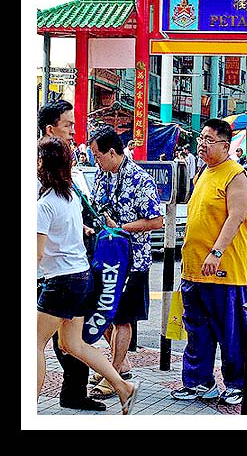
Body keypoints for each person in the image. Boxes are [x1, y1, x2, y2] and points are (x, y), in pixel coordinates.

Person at [37, 135, 140, 415]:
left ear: (43, 164)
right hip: (81, 277)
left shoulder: (44, 205)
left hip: (61, 282)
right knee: (72, 344)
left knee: (34, 343)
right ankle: (123, 386)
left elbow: (37, 254)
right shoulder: (70, 196)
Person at [171, 118, 247, 405]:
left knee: (230, 331)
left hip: (224, 270)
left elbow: (236, 217)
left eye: (209, 140)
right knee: (197, 329)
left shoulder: (236, 175)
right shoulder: (203, 174)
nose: (202, 145)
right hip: (194, 269)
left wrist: (217, 252)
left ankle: (237, 383)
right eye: (201, 139)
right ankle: (199, 381)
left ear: (225, 145)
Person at [37, 99, 105, 411]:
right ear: (51, 129)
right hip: (53, 268)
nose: (73, 131)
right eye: (68, 125)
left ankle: (74, 393)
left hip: (66, 268)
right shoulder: (42, 168)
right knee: (61, 342)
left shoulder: (67, 168)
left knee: (66, 342)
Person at [88, 125, 164, 399]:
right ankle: (120, 363)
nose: (96, 160)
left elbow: (156, 221)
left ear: (112, 152)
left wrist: (120, 228)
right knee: (100, 312)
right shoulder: (102, 175)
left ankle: (114, 374)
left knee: (122, 318)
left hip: (132, 261)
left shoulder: (140, 180)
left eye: (98, 155)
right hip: (104, 257)